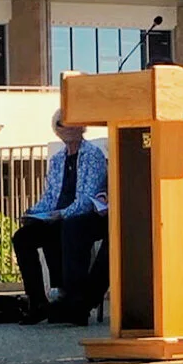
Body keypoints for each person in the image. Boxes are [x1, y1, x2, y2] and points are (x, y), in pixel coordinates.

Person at [12, 109, 109, 326]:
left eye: (72, 122)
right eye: (61, 124)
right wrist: (33, 213)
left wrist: (61, 214)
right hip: (60, 216)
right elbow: (50, 197)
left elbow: (87, 198)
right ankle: (37, 302)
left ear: (81, 126)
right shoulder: (57, 160)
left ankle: (74, 301)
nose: (67, 128)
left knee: (70, 227)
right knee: (23, 237)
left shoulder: (93, 154)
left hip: (88, 215)